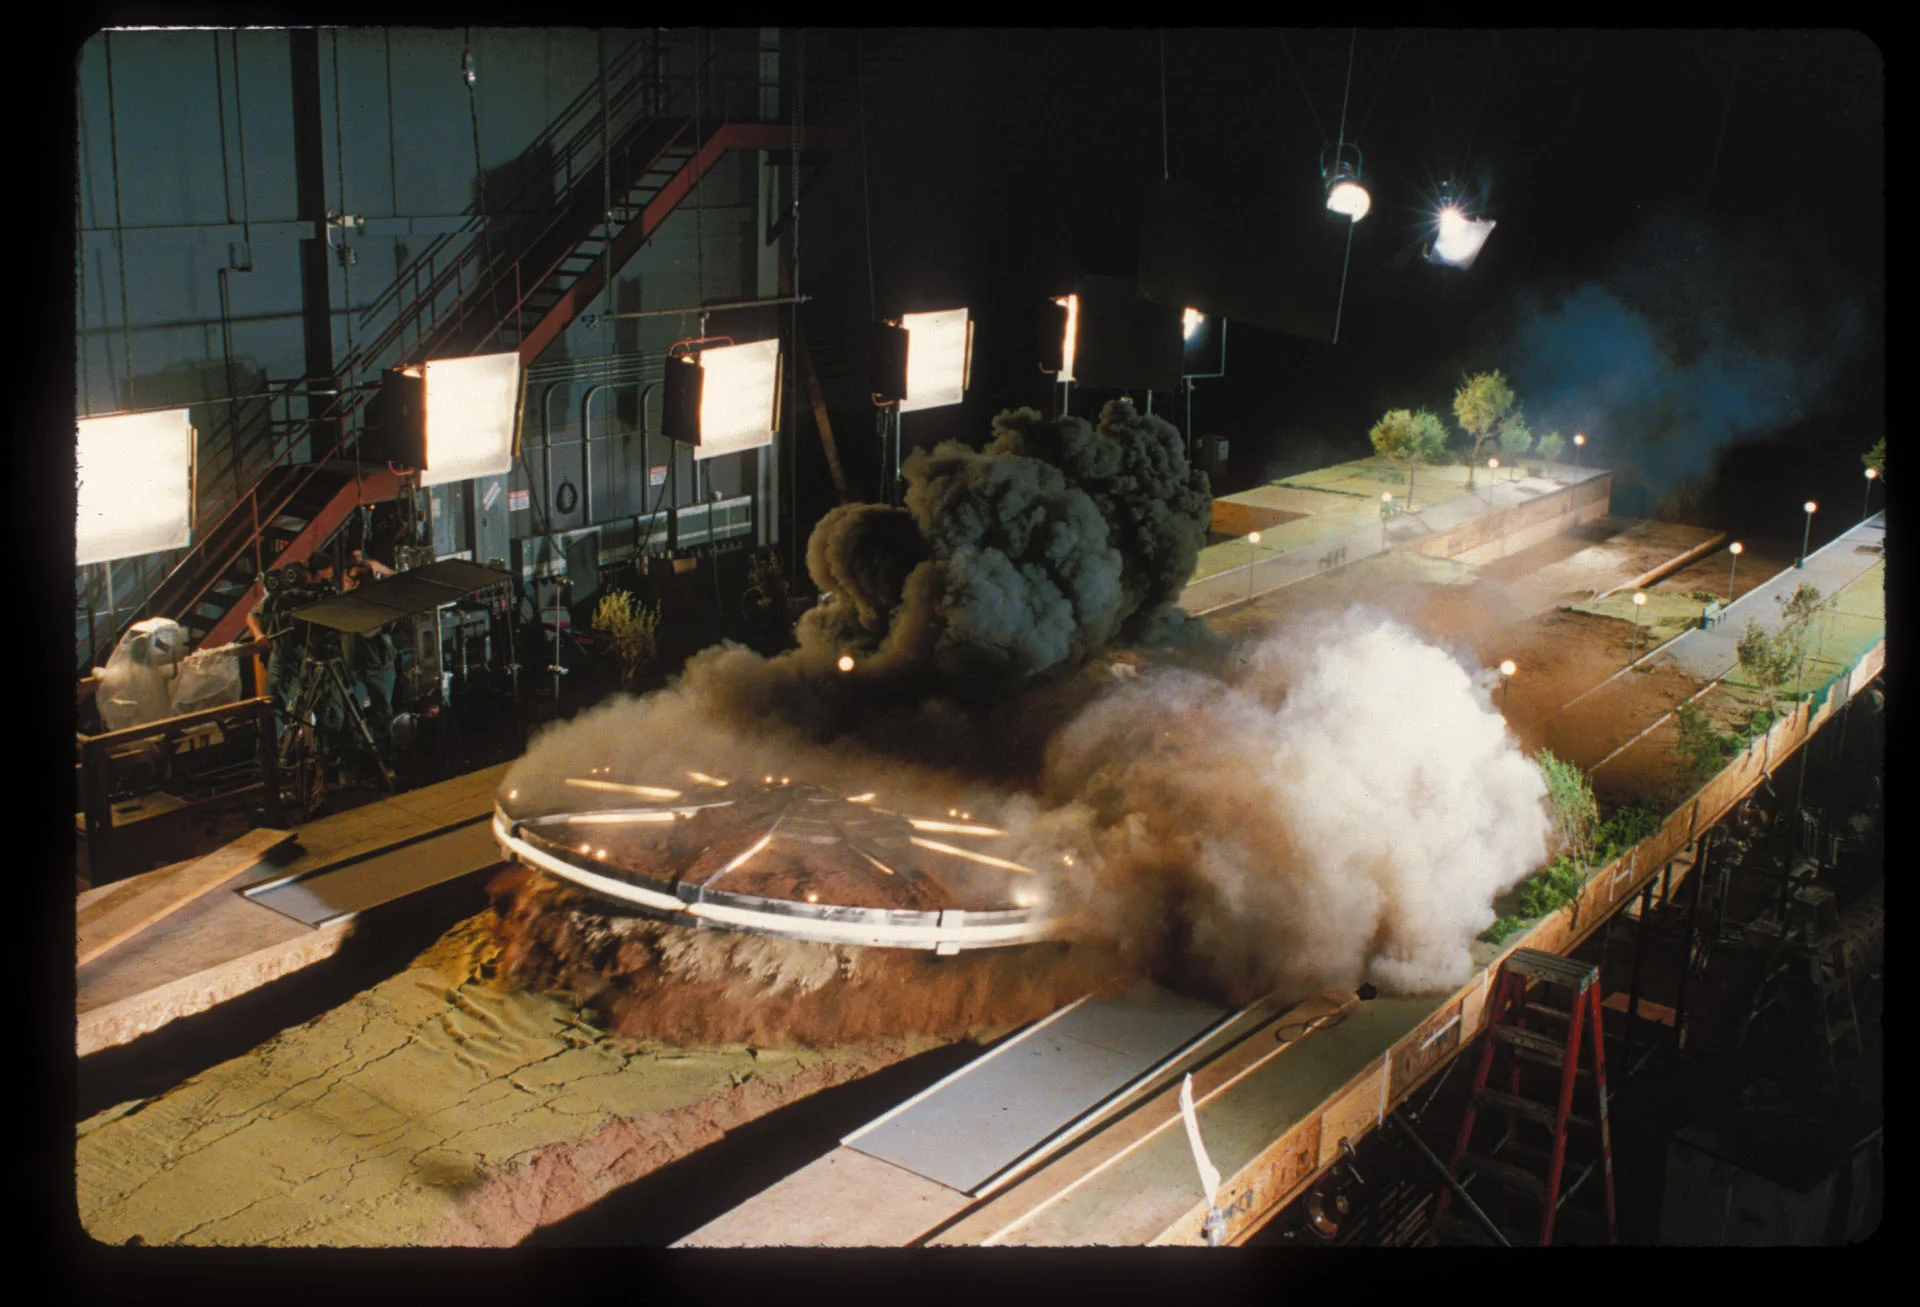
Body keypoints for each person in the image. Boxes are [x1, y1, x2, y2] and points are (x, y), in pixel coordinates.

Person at [338, 561, 398, 775]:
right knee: (351, 717)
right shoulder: (343, 603)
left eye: (354, 580)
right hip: (354, 669)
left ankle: (386, 763)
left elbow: (374, 629)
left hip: (378, 667)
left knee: (382, 716)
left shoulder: (378, 603)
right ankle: (353, 767)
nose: (350, 584)